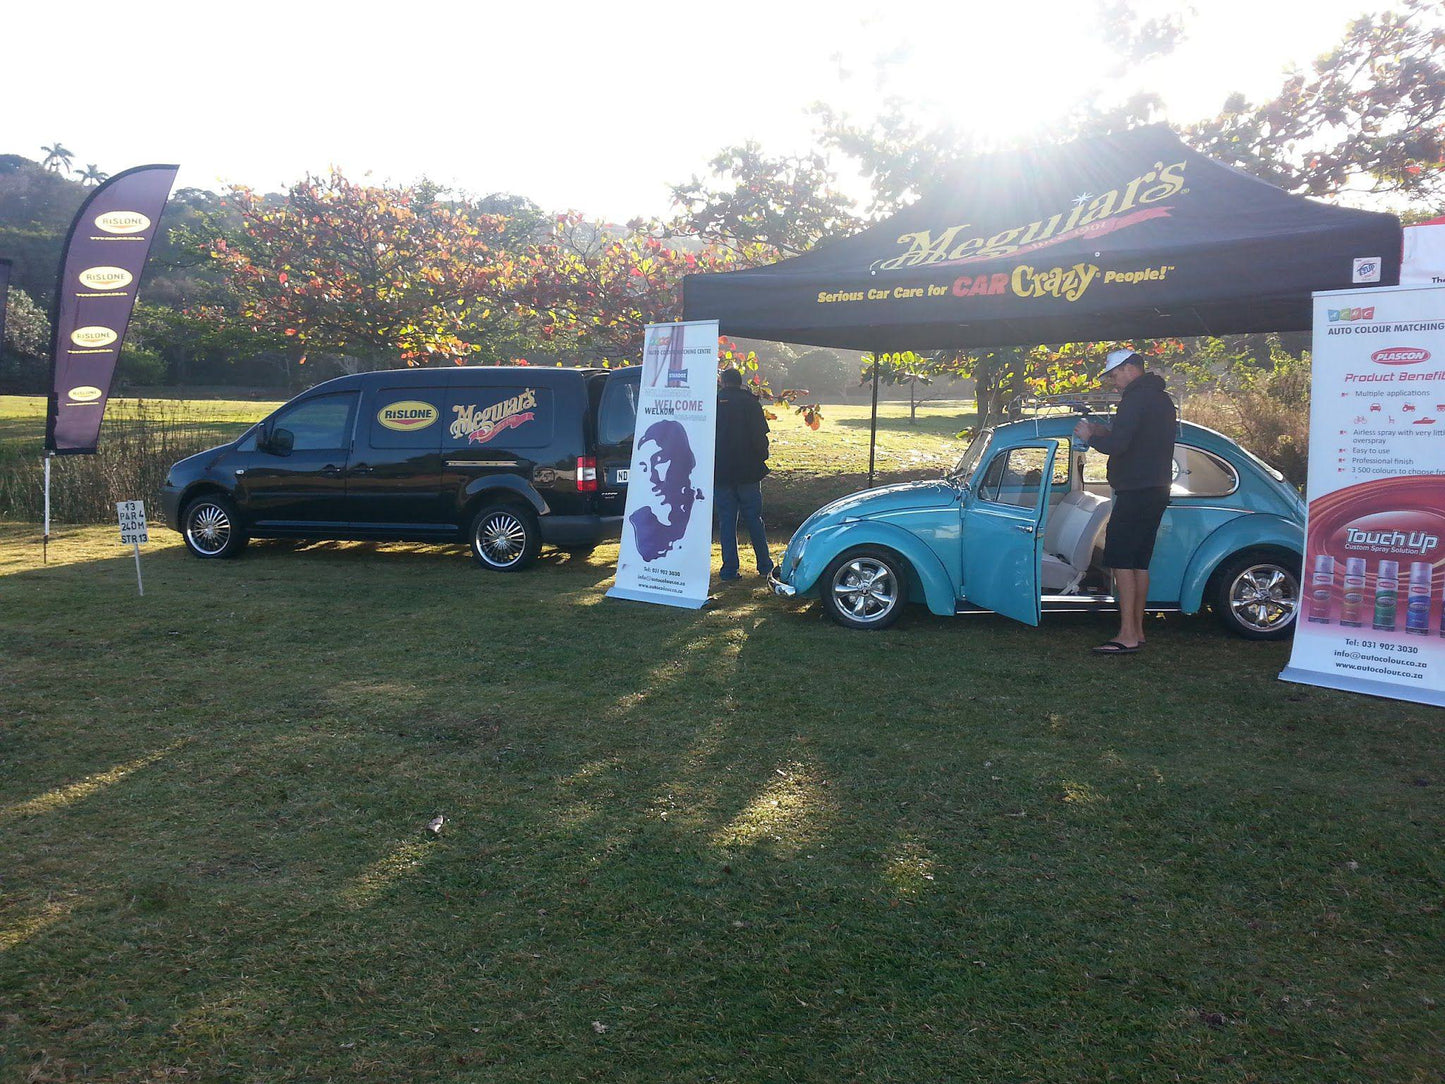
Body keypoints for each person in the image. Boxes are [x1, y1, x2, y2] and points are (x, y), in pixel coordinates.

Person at [1073, 348, 1177, 655]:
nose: (1115, 382)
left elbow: (1119, 445)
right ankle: (1138, 630)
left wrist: (1090, 437)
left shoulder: (1135, 398)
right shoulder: (1161, 399)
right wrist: (1102, 431)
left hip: (1134, 490)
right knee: (1139, 562)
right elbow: (1135, 438)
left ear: (1131, 368)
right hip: (1156, 489)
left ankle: (1127, 634)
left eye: (1116, 374)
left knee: (1120, 561)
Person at [714, 368, 774, 581]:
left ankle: (729, 569)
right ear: (740, 383)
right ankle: (765, 565)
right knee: (754, 519)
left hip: (721, 471)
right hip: (748, 471)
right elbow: (761, 438)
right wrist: (759, 459)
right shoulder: (751, 404)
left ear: (722, 382)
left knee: (727, 521)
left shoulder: (712, 404)